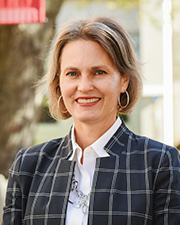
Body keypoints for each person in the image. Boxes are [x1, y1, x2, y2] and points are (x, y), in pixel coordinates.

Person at [2, 17, 180, 225]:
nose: (84, 86)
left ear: (124, 79)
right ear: (59, 82)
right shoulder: (28, 165)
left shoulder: (159, 164)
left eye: (99, 72)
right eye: (73, 73)